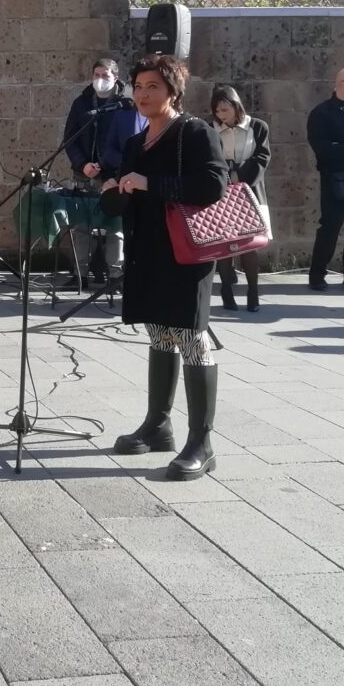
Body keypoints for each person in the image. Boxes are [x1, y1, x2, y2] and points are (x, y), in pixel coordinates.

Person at [102, 54, 227, 481]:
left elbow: (213, 185)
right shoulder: (137, 143)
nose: (142, 94)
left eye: (152, 86)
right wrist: (114, 189)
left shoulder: (194, 132)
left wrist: (150, 184)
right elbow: (128, 195)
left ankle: (202, 442)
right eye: (137, 86)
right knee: (159, 332)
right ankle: (158, 424)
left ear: (172, 91)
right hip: (148, 250)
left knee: (192, 336)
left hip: (187, 253)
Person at [62, 58, 128, 287]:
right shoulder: (81, 103)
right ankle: (80, 273)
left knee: (115, 226)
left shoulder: (124, 105)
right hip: (84, 174)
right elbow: (70, 139)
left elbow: (130, 141)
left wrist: (111, 170)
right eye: (96, 75)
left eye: (105, 76)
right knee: (81, 225)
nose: (100, 80)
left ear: (115, 78)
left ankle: (116, 274)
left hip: (113, 176)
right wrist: (83, 165)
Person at [211, 85, 271, 312]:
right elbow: (212, 157)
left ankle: (253, 290)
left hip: (250, 191)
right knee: (225, 244)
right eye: (217, 111)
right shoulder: (212, 129)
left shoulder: (257, 127)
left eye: (225, 110)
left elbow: (262, 157)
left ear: (236, 106)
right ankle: (226, 288)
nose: (221, 115)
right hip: (223, 191)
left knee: (249, 244)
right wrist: (226, 174)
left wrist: (239, 173)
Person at [307, 68, 344, 291]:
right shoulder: (321, 113)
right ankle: (317, 275)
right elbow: (323, 149)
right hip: (334, 180)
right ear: (337, 83)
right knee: (330, 227)